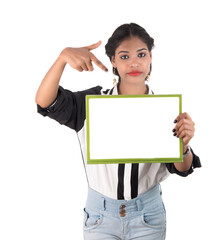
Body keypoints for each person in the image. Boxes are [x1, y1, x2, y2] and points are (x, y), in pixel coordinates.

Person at [35, 23, 201, 240]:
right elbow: (46, 103)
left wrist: (184, 147)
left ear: (150, 57)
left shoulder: (164, 109)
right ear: (113, 61)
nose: (134, 62)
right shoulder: (92, 102)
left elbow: (182, 168)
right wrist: (62, 58)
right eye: (124, 56)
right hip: (100, 216)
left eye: (141, 54)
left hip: (148, 216)